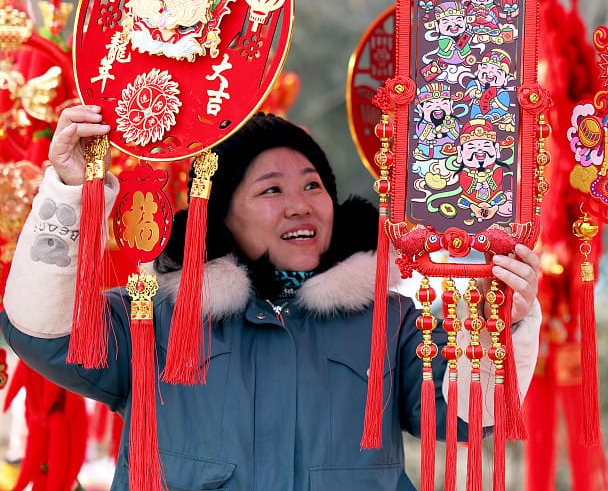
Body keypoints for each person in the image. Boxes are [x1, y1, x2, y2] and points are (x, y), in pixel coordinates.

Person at [0, 104, 542, 491]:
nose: (300, 206)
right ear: (222, 216)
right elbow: (42, 332)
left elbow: (468, 416)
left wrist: (503, 326)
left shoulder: (389, 320)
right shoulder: (160, 316)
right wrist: (70, 191)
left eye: (313, 186)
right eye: (270, 191)